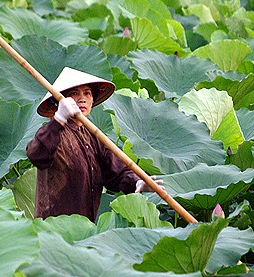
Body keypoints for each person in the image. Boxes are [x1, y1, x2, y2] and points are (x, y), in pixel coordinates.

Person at [26, 67, 162, 221]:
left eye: (87, 93)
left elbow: (115, 173)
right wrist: (59, 119)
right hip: (53, 228)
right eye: (74, 94)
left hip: (86, 228)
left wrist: (138, 183)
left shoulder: (94, 136)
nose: (82, 99)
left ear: (92, 101)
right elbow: (36, 155)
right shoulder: (52, 132)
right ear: (60, 101)